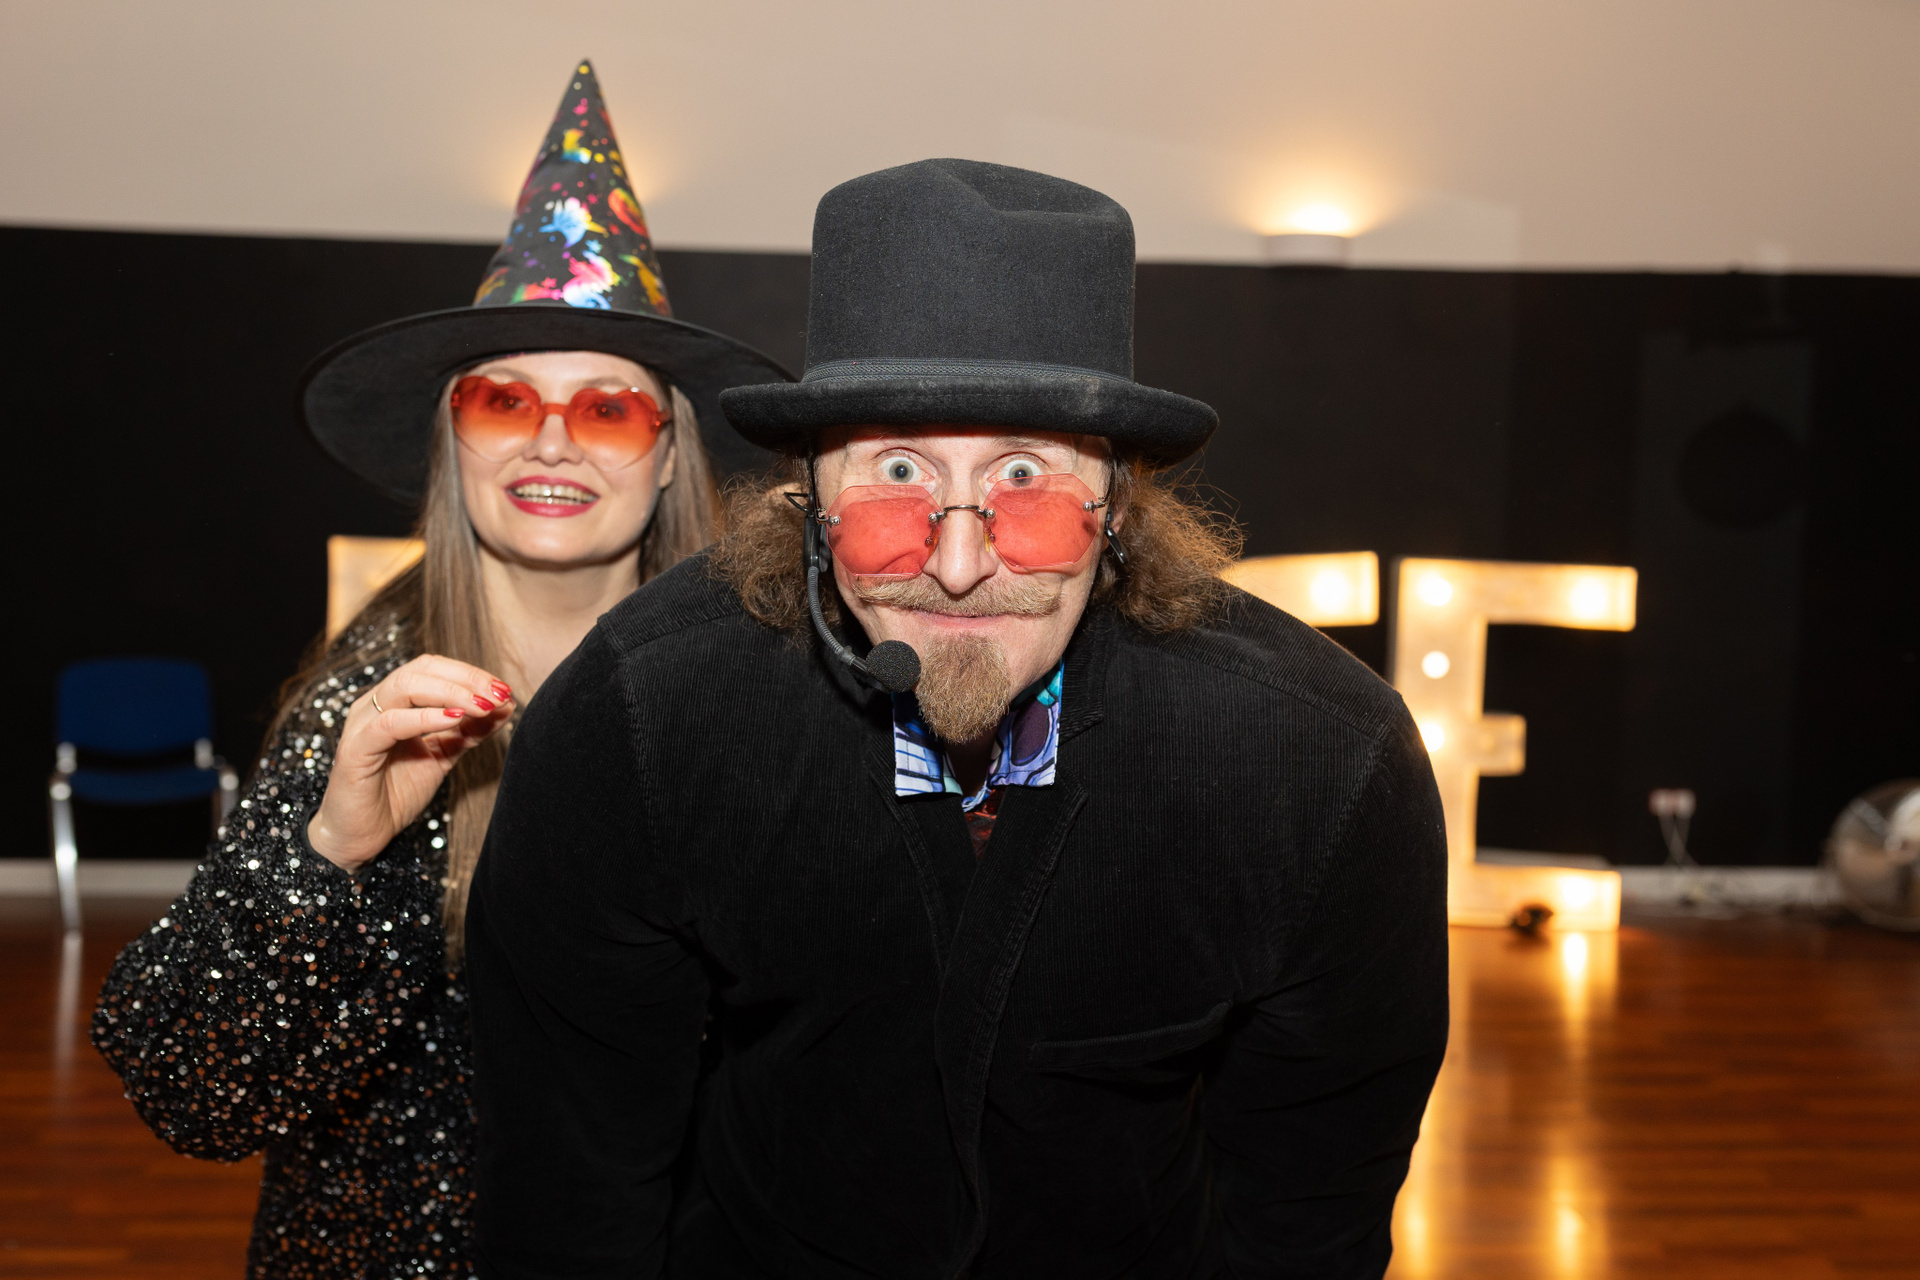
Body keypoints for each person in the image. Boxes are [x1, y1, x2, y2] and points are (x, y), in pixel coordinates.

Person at [468, 159, 1449, 1278]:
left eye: (1024, 475)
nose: (960, 562)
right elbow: (573, 1190)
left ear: (1118, 504)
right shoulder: (641, 718)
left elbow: (1308, 1214)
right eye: (898, 470)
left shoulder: (1317, 763)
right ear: (811, 498)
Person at [90, 61, 788, 1279]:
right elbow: (189, 1089)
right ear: (453, 440)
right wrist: (333, 850)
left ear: (673, 453)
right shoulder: (367, 709)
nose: (552, 440)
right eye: (503, 400)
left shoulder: (759, 699)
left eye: (607, 409)